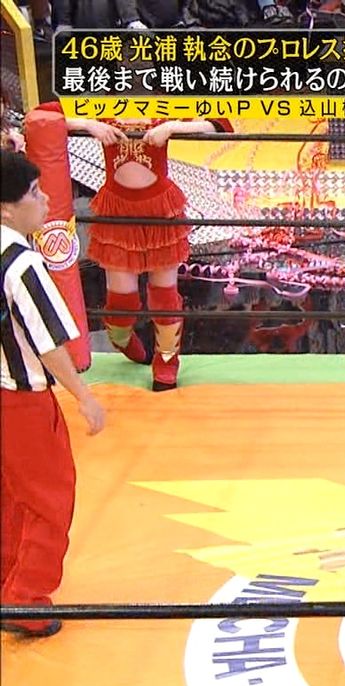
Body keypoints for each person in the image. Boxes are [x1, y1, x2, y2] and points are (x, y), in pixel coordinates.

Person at [1, 149, 106, 638]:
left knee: (10, 496)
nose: (45, 200)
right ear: (7, 208)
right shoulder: (22, 264)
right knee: (48, 496)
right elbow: (48, 343)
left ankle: (9, 580)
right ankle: (25, 601)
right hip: (21, 400)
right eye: (33, 193)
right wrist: (83, 395)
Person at [62, 112, 233, 391]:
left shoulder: (161, 117)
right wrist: (89, 125)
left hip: (160, 210)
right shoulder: (104, 116)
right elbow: (45, 118)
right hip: (117, 212)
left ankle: (166, 362)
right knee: (121, 302)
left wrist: (171, 127)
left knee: (164, 296)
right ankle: (121, 340)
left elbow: (220, 125)